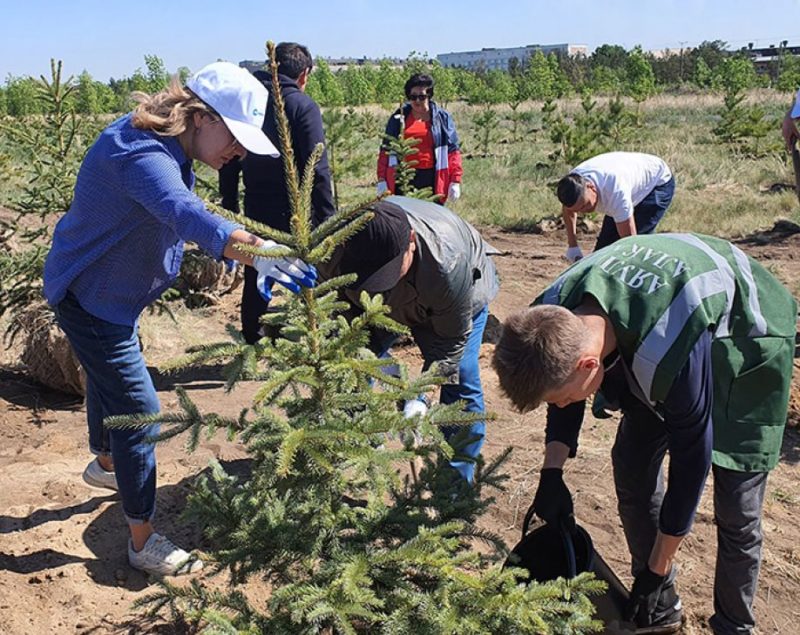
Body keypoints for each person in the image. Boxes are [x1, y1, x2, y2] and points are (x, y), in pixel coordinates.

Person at [43, 62, 317, 577]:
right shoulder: (140, 152)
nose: (237, 152)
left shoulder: (170, 143)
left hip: (111, 298)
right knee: (141, 408)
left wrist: (248, 249)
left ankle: (105, 464)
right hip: (88, 297)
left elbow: (184, 207)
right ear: (202, 116)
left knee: (111, 382)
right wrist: (257, 252)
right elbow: (181, 210)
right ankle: (142, 540)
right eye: (235, 137)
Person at [492, 233, 796, 635]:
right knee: (632, 465)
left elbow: (692, 459)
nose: (564, 406)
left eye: (565, 399)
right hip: (652, 329)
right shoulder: (552, 314)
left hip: (745, 339)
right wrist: (552, 473)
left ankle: (733, 625)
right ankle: (661, 609)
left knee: (737, 505)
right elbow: (560, 385)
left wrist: (659, 566)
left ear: (588, 366)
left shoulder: (667, 344)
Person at [325, 195, 498, 482]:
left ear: (412, 242)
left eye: (388, 272)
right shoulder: (337, 245)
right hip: (375, 307)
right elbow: (332, 307)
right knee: (353, 368)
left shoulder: (448, 262)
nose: (383, 284)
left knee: (461, 382)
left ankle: (454, 490)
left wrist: (420, 398)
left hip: (454, 297)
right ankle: (365, 458)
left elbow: (450, 346)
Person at [218, 42, 336, 344]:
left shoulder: (248, 102)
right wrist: (328, 220)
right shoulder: (301, 106)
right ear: (304, 74)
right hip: (298, 210)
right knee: (309, 270)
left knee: (258, 270)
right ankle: (316, 338)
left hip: (256, 204)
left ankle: (253, 340)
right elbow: (316, 167)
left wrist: (230, 205)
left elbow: (229, 159)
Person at [556, 152, 675, 263]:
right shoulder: (572, 185)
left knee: (632, 250)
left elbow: (630, 242)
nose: (584, 211)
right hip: (628, 181)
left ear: (591, 187)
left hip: (656, 183)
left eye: (586, 205)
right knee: (602, 254)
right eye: (579, 209)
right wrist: (573, 246)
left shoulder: (614, 191)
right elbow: (568, 210)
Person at [376, 74, 463, 204]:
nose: (417, 101)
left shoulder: (442, 118)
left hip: (431, 176)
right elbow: (385, 150)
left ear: (429, 96)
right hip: (403, 177)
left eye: (421, 97)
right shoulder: (398, 118)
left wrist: (455, 180)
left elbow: (452, 151)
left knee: (432, 217)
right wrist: (382, 179)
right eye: (413, 97)